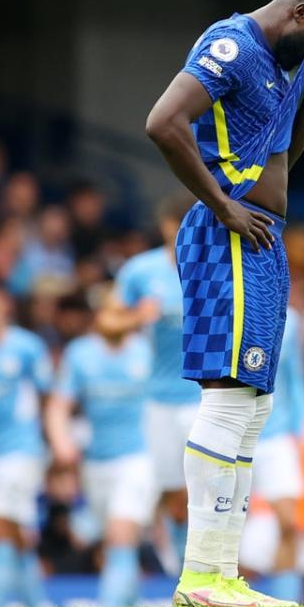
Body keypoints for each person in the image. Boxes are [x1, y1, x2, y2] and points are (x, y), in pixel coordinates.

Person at [145, 0, 304, 607]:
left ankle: (220, 573)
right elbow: (163, 122)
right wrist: (222, 205)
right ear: (299, 11)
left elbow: (282, 156)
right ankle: (200, 575)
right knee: (231, 400)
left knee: (254, 408)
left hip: (261, 242)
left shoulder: (289, 64)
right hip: (227, 235)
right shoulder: (232, 46)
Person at [44, 291, 157, 607]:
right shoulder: (80, 354)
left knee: (120, 533)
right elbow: (58, 406)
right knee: (119, 540)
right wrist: (61, 443)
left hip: (138, 458)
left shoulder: (145, 352)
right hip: (96, 462)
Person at [111, 191, 200, 574]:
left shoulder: (213, 267)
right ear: (164, 226)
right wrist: (136, 318)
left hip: (202, 394)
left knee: (200, 485)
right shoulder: (140, 272)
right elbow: (106, 322)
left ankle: (196, 566)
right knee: (169, 489)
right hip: (159, 399)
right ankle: (180, 560)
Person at [0, 282, 52, 607]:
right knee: (15, 529)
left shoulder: (27, 347)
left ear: (4, 307)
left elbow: (49, 397)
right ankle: (38, 602)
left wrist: (53, 446)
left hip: (23, 450)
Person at [245, 306, 304, 602]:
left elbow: (293, 375)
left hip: (276, 435)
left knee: (288, 523)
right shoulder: (224, 305)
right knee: (226, 527)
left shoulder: (291, 318)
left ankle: (286, 605)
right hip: (234, 435)